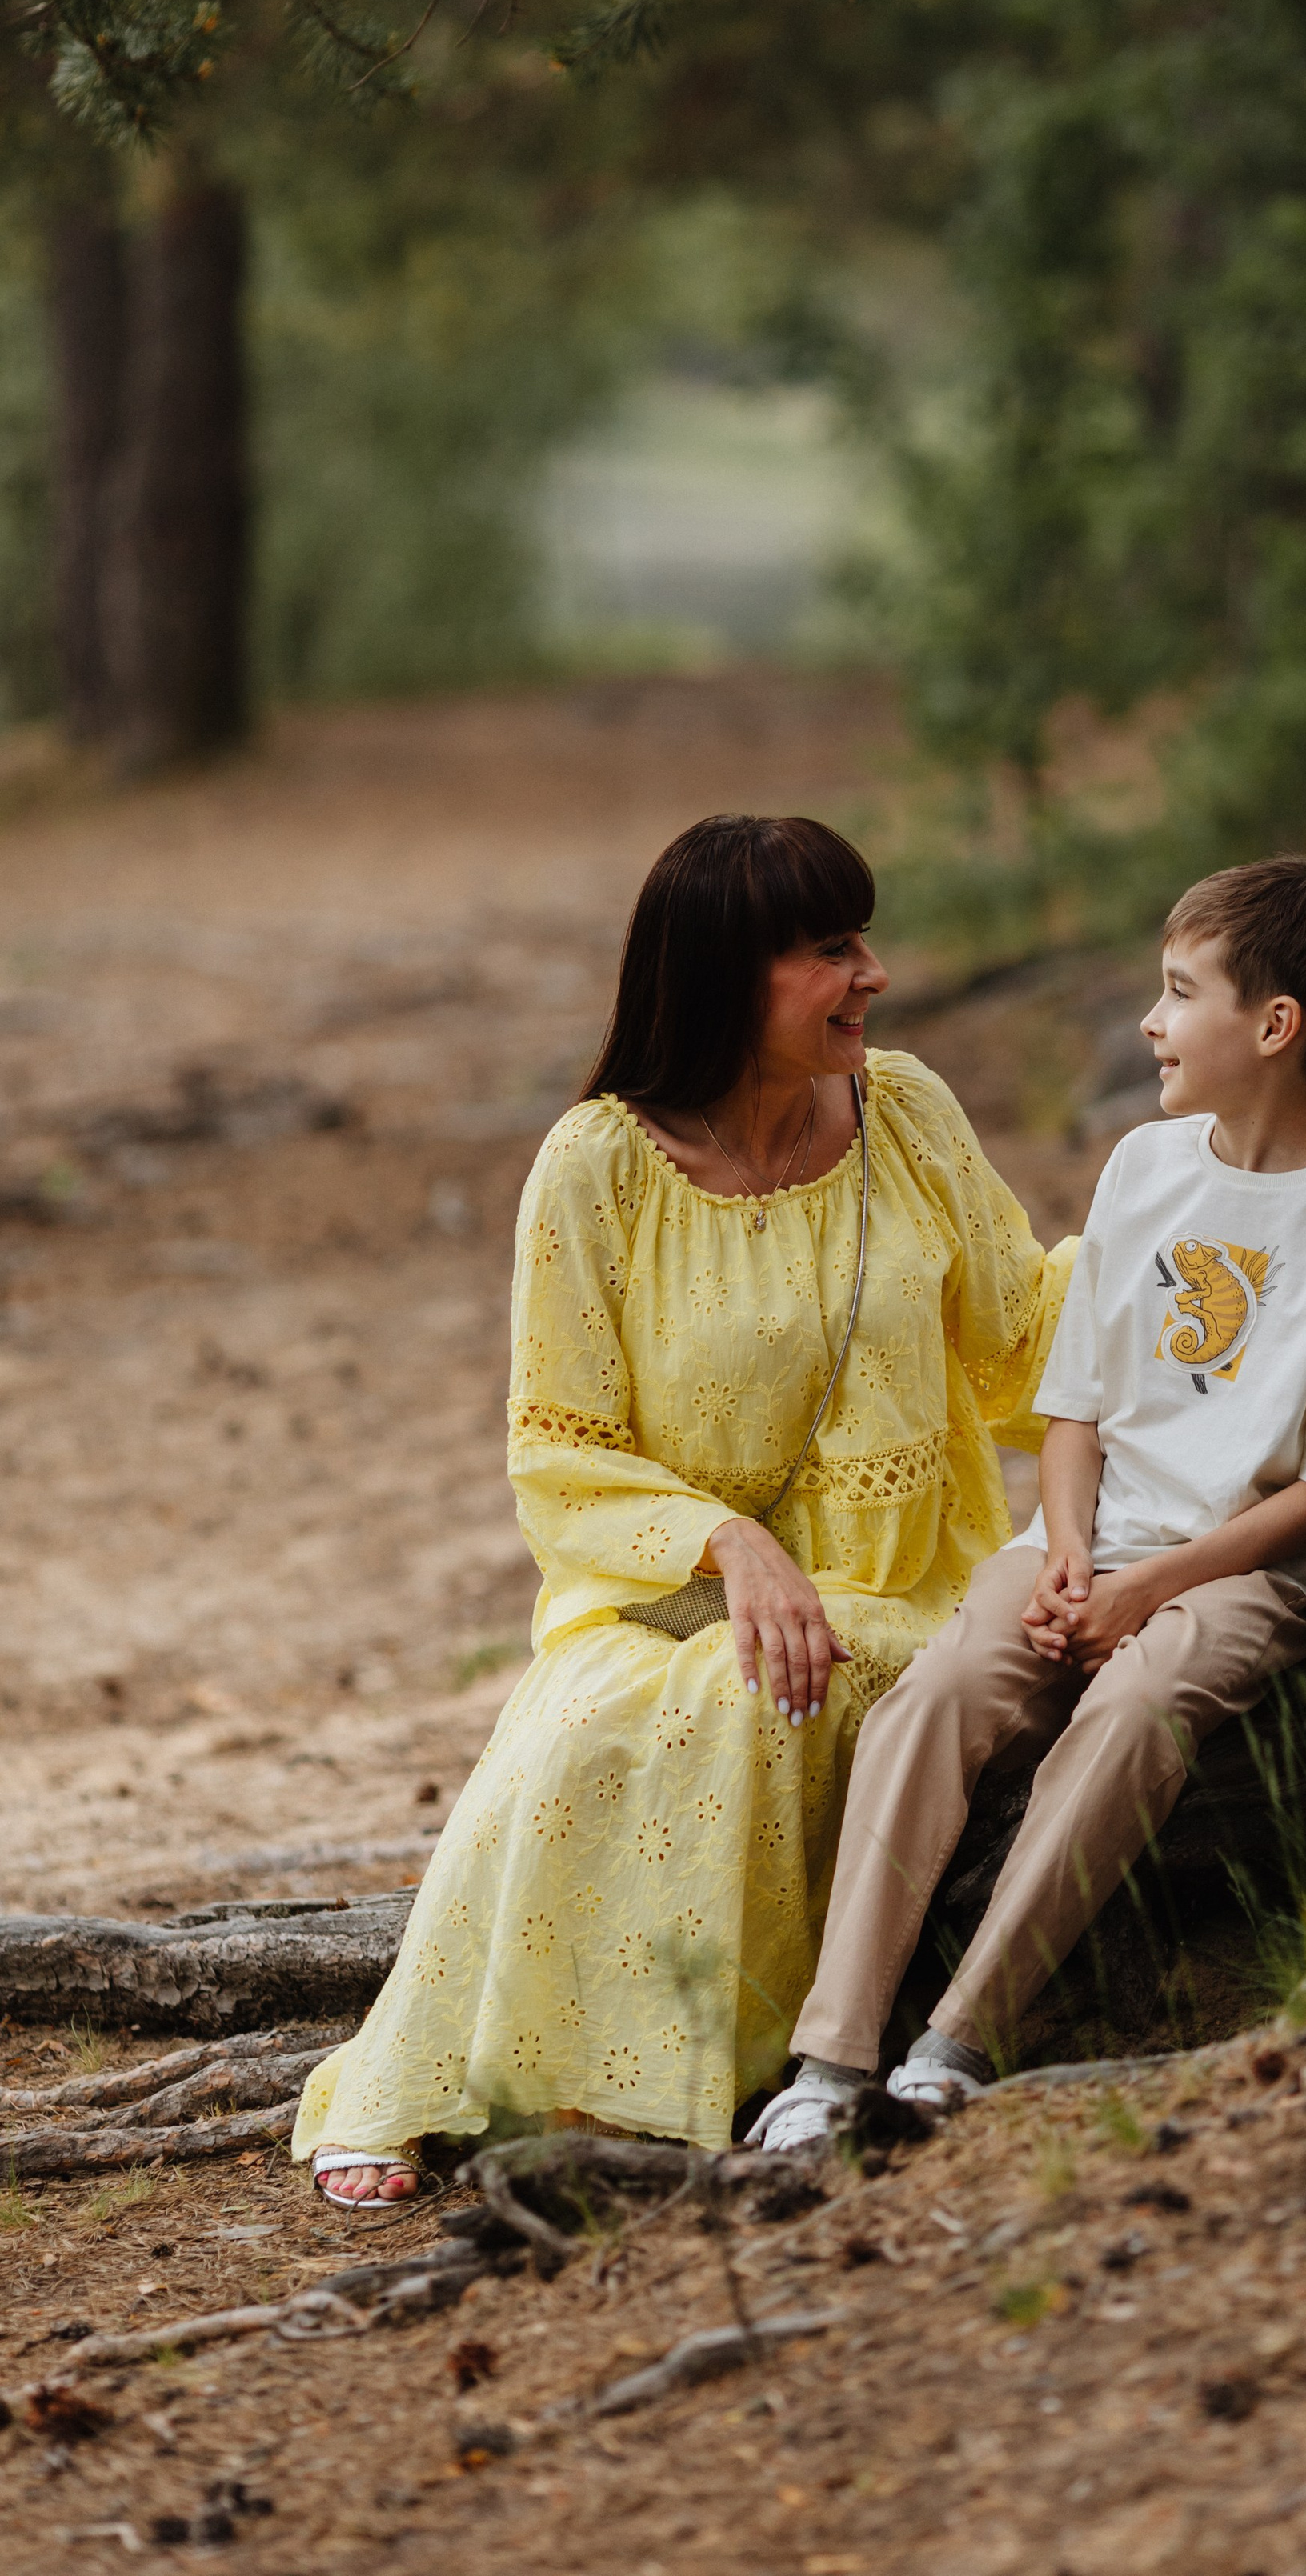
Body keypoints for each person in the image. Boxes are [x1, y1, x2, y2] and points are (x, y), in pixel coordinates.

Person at [294, 814, 1073, 2204]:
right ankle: (431, 2070)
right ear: (725, 973)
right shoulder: (594, 1167)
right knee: (583, 1718)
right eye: (829, 950)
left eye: (865, 941)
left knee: (754, 1692)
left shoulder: (908, 1113)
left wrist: (1179, 1227)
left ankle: (643, 2093)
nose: (871, 976)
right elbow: (560, 1450)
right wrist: (727, 1540)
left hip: (903, 1597)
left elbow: (1021, 1340)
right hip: (663, 1583)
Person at [749, 854, 1306, 2148]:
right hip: (1086, 1543)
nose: (1151, 1021)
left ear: (1274, 1028)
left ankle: (958, 2039)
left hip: (1239, 1576)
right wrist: (1070, 1559)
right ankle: (831, 2060)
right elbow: (1075, 1413)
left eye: (1180, 994)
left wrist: (1142, 1594)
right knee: (934, 1700)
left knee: (1132, 1707)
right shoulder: (1143, 1168)